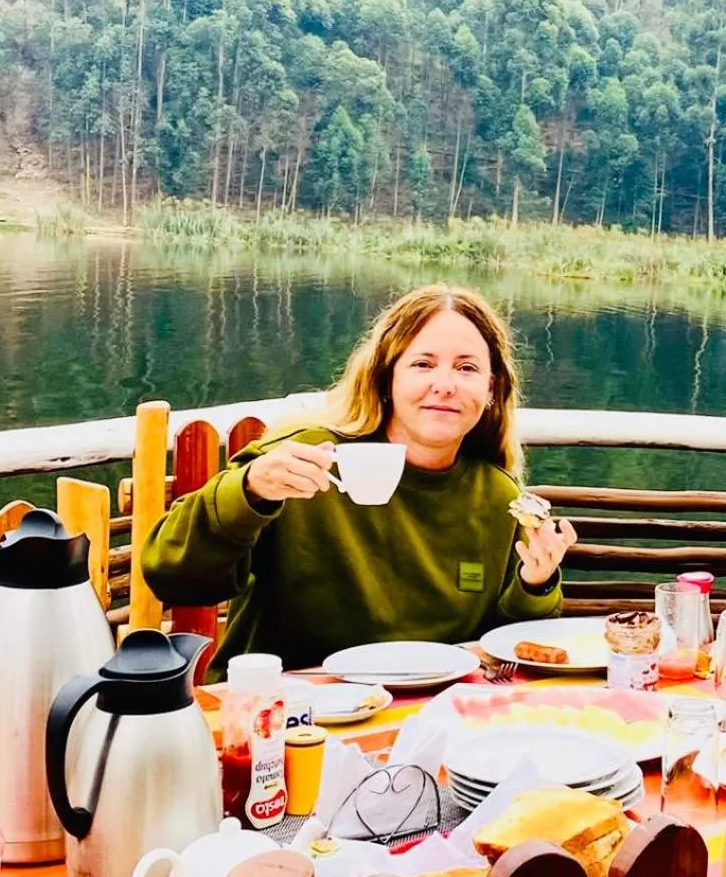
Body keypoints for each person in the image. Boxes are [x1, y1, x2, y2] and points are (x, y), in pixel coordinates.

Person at [142, 284, 578, 673]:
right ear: (386, 378)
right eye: (423, 364)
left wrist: (534, 584)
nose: (445, 385)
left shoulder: (498, 497)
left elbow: (510, 657)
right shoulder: (306, 459)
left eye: (466, 369)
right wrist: (249, 491)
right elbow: (173, 577)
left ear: (490, 391)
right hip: (289, 721)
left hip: (430, 722)